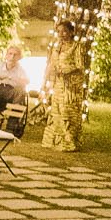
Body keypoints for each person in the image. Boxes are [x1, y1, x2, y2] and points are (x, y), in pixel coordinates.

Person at [42, 20, 89, 151]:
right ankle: (55, 141)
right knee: (56, 111)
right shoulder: (57, 46)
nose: (61, 34)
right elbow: (51, 65)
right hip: (58, 84)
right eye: (59, 31)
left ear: (71, 32)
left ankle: (69, 142)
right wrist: (44, 82)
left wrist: (66, 70)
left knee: (67, 112)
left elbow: (80, 66)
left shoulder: (76, 46)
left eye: (64, 31)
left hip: (71, 86)